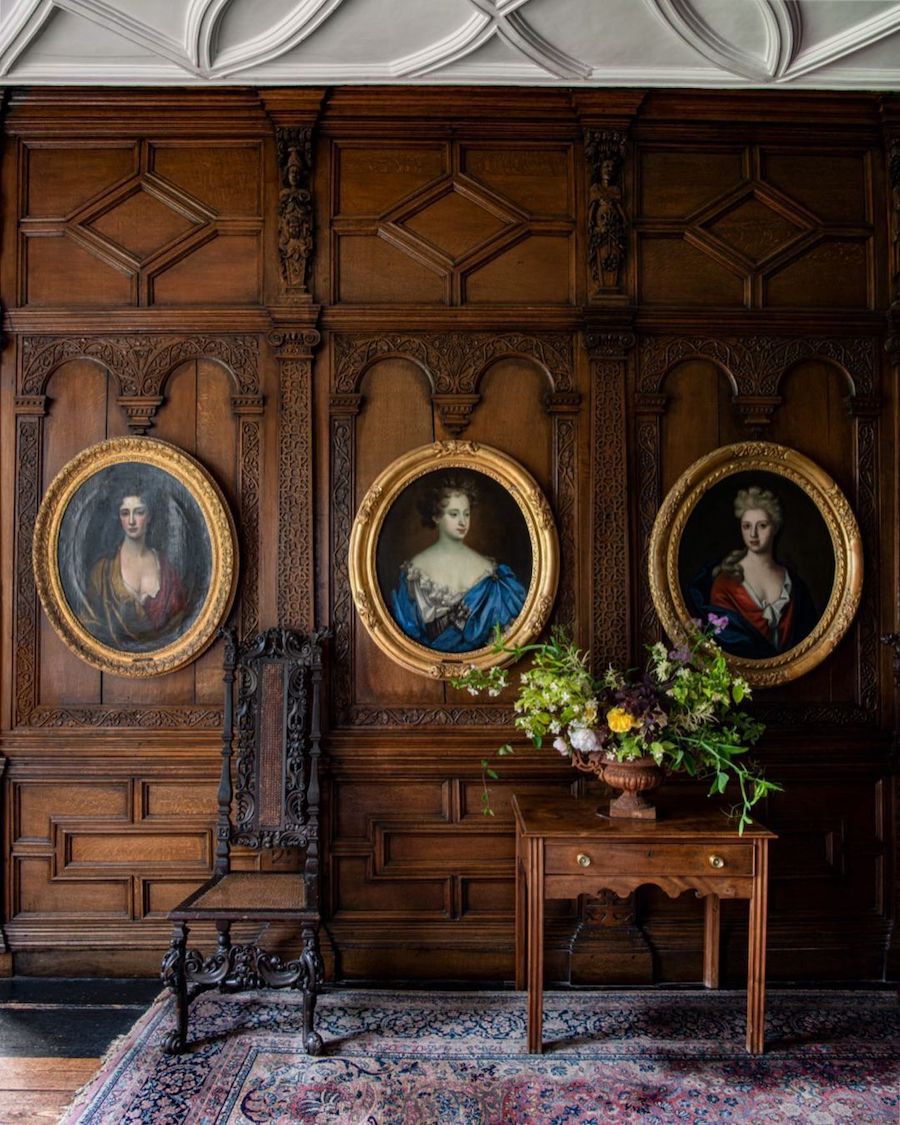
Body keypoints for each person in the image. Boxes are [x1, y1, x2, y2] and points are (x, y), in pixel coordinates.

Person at [390, 474, 526, 652]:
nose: (463, 522)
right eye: (454, 514)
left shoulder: (491, 573)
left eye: (466, 514)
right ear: (436, 517)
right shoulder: (414, 571)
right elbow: (409, 633)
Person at [687, 485, 818, 659]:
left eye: (762, 525)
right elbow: (726, 644)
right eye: (746, 526)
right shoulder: (725, 583)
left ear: (775, 527)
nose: (753, 534)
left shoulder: (793, 584)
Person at [83, 485, 189, 650]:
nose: (131, 521)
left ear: (149, 516)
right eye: (125, 513)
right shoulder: (102, 572)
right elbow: (90, 625)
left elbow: (181, 623)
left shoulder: (168, 573)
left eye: (139, 512)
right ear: (119, 518)